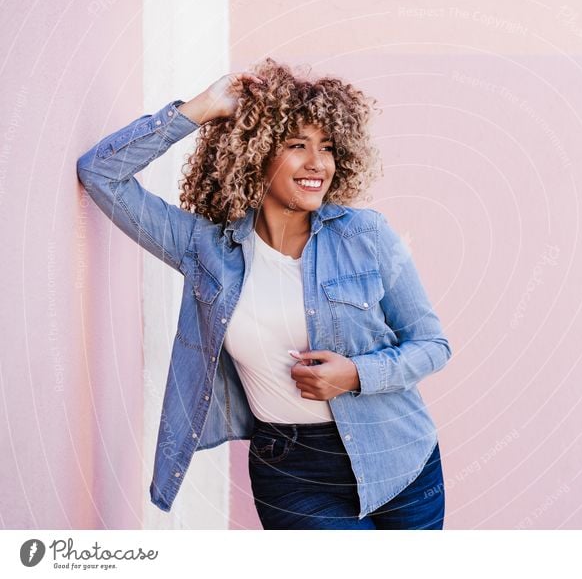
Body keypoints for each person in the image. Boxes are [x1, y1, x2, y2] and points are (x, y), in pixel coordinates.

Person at [76, 57, 453, 529]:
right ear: (255, 153)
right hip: (292, 471)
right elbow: (101, 174)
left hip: (399, 459)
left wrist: (357, 374)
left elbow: (433, 346)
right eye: (297, 145)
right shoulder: (205, 249)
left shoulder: (366, 236)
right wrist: (199, 109)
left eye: (328, 147)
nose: (318, 163)